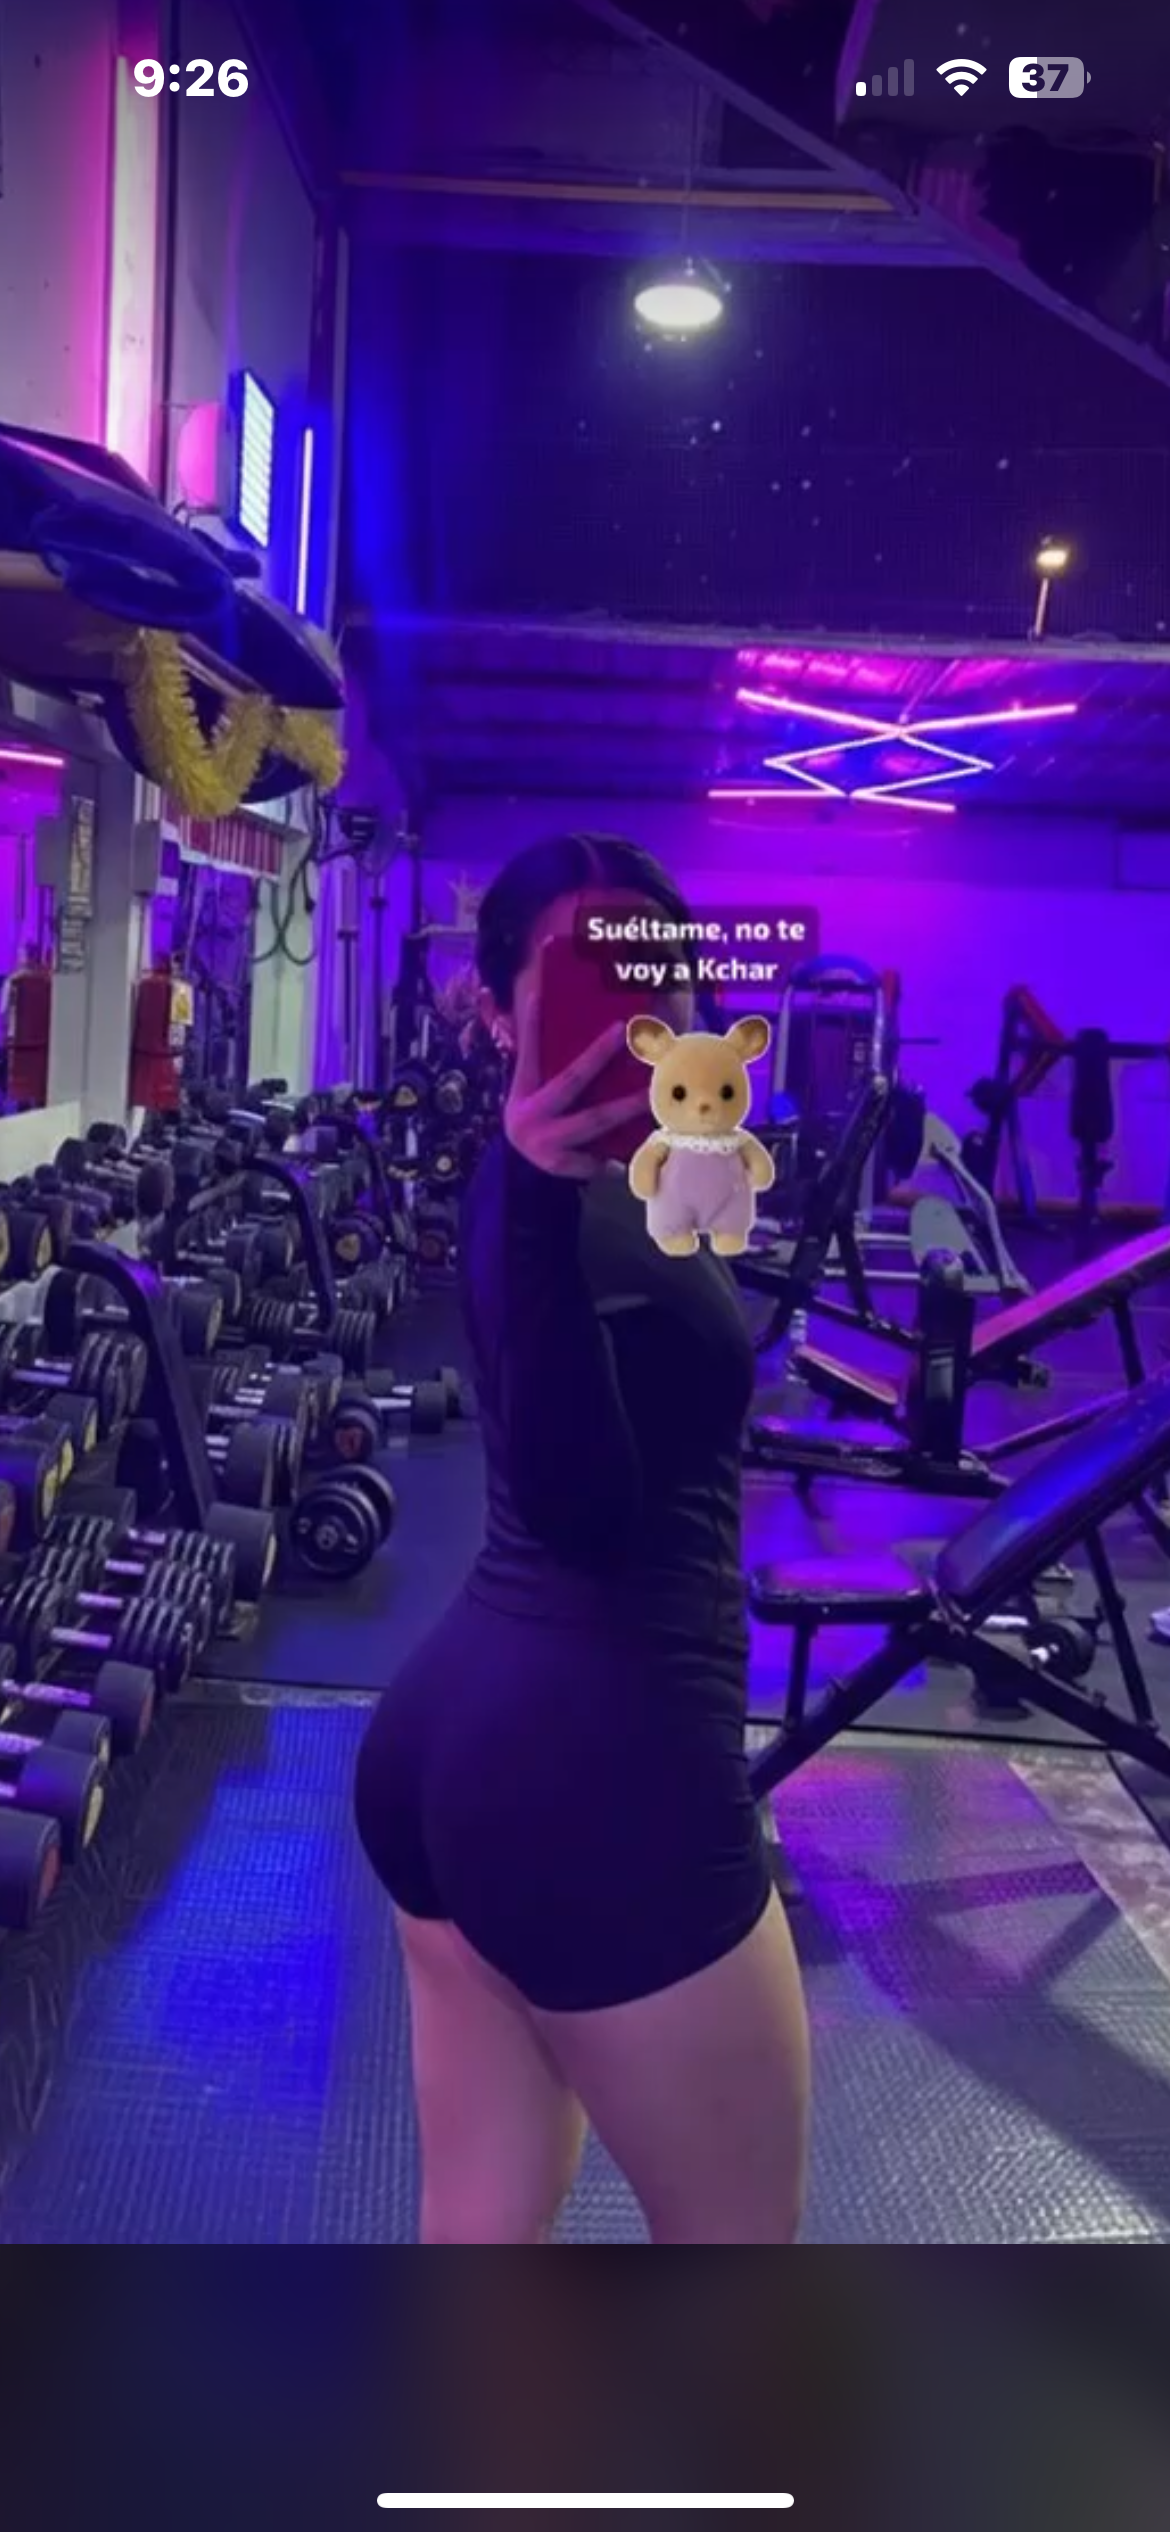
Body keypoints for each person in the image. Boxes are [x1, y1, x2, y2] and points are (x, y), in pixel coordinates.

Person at [354, 833, 811, 2244]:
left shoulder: (596, 1185)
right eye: (582, 976)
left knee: (479, 2234)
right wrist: (548, 1199)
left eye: (653, 971)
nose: (635, 1007)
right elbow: (578, 1507)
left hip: (456, 1753)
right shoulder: (546, 1200)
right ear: (500, 1011)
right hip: (608, 1782)